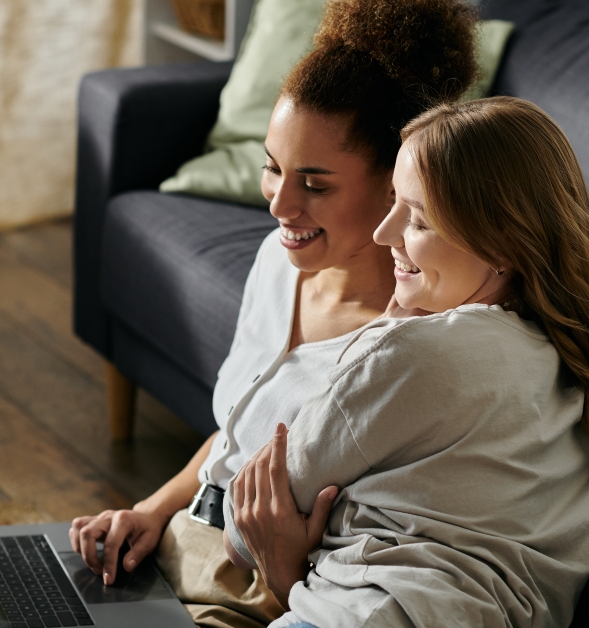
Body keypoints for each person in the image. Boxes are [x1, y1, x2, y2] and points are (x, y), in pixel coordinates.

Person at [69, 1, 481, 627]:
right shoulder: (277, 261)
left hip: (258, 595)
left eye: (315, 185)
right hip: (174, 543)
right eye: (272, 167)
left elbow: (367, 569)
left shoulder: (406, 347)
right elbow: (238, 436)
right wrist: (150, 511)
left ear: (396, 184)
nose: (279, 205)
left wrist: (284, 577)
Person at [227, 97, 589, 627]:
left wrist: (381, 335)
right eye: (394, 202)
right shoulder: (572, 360)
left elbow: (242, 531)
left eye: (417, 220)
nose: (384, 233)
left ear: (502, 243)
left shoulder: (414, 354)